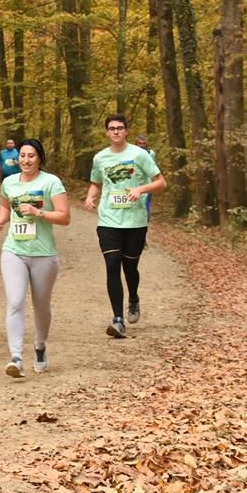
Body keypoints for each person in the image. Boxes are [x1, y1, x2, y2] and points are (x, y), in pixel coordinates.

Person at [0, 139, 70, 377]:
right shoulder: (9, 182)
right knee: (15, 302)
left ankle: (40, 346)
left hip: (43, 254)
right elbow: (5, 205)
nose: (25, 160)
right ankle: (16, 357)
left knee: (41, 306)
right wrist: (1, 221)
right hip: (14, 250)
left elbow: (65, 217)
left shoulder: (51, 182)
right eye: (22, 156)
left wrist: (39, 212)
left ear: (39, 159)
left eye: (31, 156)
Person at [84, 115, 167, 338]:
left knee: (130, 268)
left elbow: (161, 182)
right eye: (111, 129)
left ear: (127, 131)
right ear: (107, 133)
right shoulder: (100, 158)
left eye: (120, 128)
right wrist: (91, 197)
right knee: (112, 265)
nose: (116, 132)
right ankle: (118, 319)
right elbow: (95, 182)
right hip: (108, 221)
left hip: (135, 221)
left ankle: (133, 298)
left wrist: (141, 190)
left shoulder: (140, 155)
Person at [135, 134, 156, 221]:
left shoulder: (151, 153)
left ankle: (145, 220)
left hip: (148, 183)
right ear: (136, 144)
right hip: (135, 183)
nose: (142, 145)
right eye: (140, 143)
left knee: (146, 202)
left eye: (144, 143)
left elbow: (153, 168)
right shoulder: (131, 153)